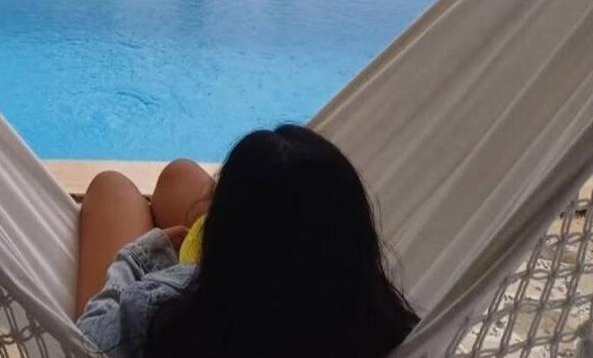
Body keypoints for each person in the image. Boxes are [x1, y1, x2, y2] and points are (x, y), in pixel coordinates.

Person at [76, 124, 418, 358]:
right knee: (181, 175)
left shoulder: (159, 308)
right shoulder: (383, 325)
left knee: (111, 189)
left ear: (224, 242)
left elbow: (83, 342)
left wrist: (141, 257)